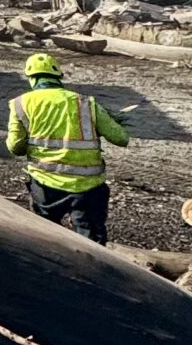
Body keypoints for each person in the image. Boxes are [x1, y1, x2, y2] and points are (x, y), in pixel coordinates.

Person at [7, 52, 129, 242]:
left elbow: (15, 147)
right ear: (58, 77)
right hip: (88, 187)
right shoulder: (86, 103)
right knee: (91, 241)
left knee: (44, 237)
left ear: (31, 78)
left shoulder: (20, 104)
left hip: (45, 184)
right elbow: (121, 138)